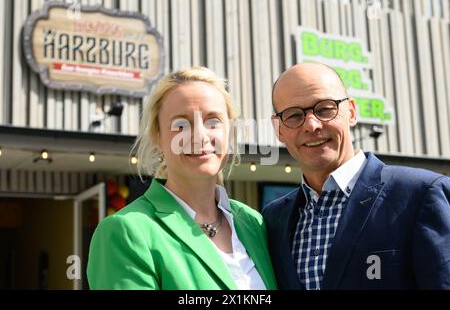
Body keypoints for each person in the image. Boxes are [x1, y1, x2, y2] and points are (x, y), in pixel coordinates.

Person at [263, 62, 450, 290]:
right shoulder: (273, 220)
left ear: (351, 112)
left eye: (324, 109)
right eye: (293, 115)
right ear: (279, 129)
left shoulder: (421, 194)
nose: (311, 125)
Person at [87, 66, 277, 290]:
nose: (199, 136)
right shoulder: (126, 231)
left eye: (213, 121)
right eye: (181, 124)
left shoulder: (253, 223)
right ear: (158, 136)